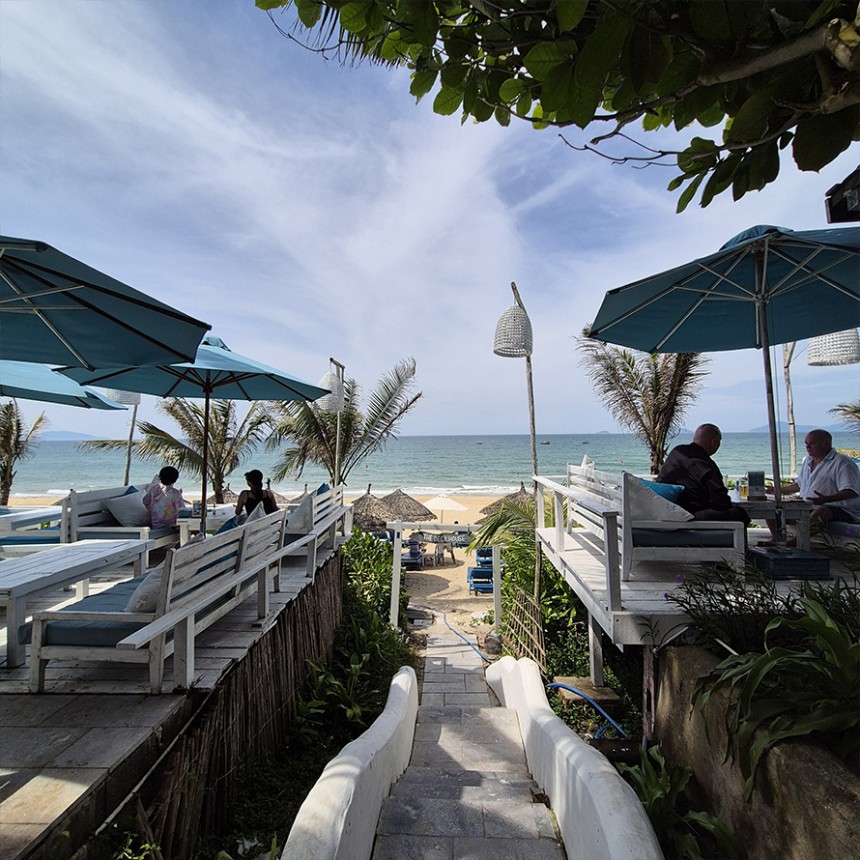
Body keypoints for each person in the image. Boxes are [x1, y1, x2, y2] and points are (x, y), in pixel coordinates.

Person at [763, 429, 860, 543]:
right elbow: (799, 485)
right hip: (808, 506)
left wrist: (826, 499)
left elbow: (852, 491)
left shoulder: (843, 463)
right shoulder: (808, 461)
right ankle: (776, 539)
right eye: (806, 444)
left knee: (822, 511)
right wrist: (778, 490)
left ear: (826, 444)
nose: (808, 447)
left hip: (839, 509)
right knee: (771, 507)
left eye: (812, 443)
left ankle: (795, 542)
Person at [656, 423, 751, 525]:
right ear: (714, 442)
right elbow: (721, 502)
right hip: (690, 515)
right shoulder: (706, 464)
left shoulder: (677, 452)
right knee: (740, 514)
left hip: (665, 511)